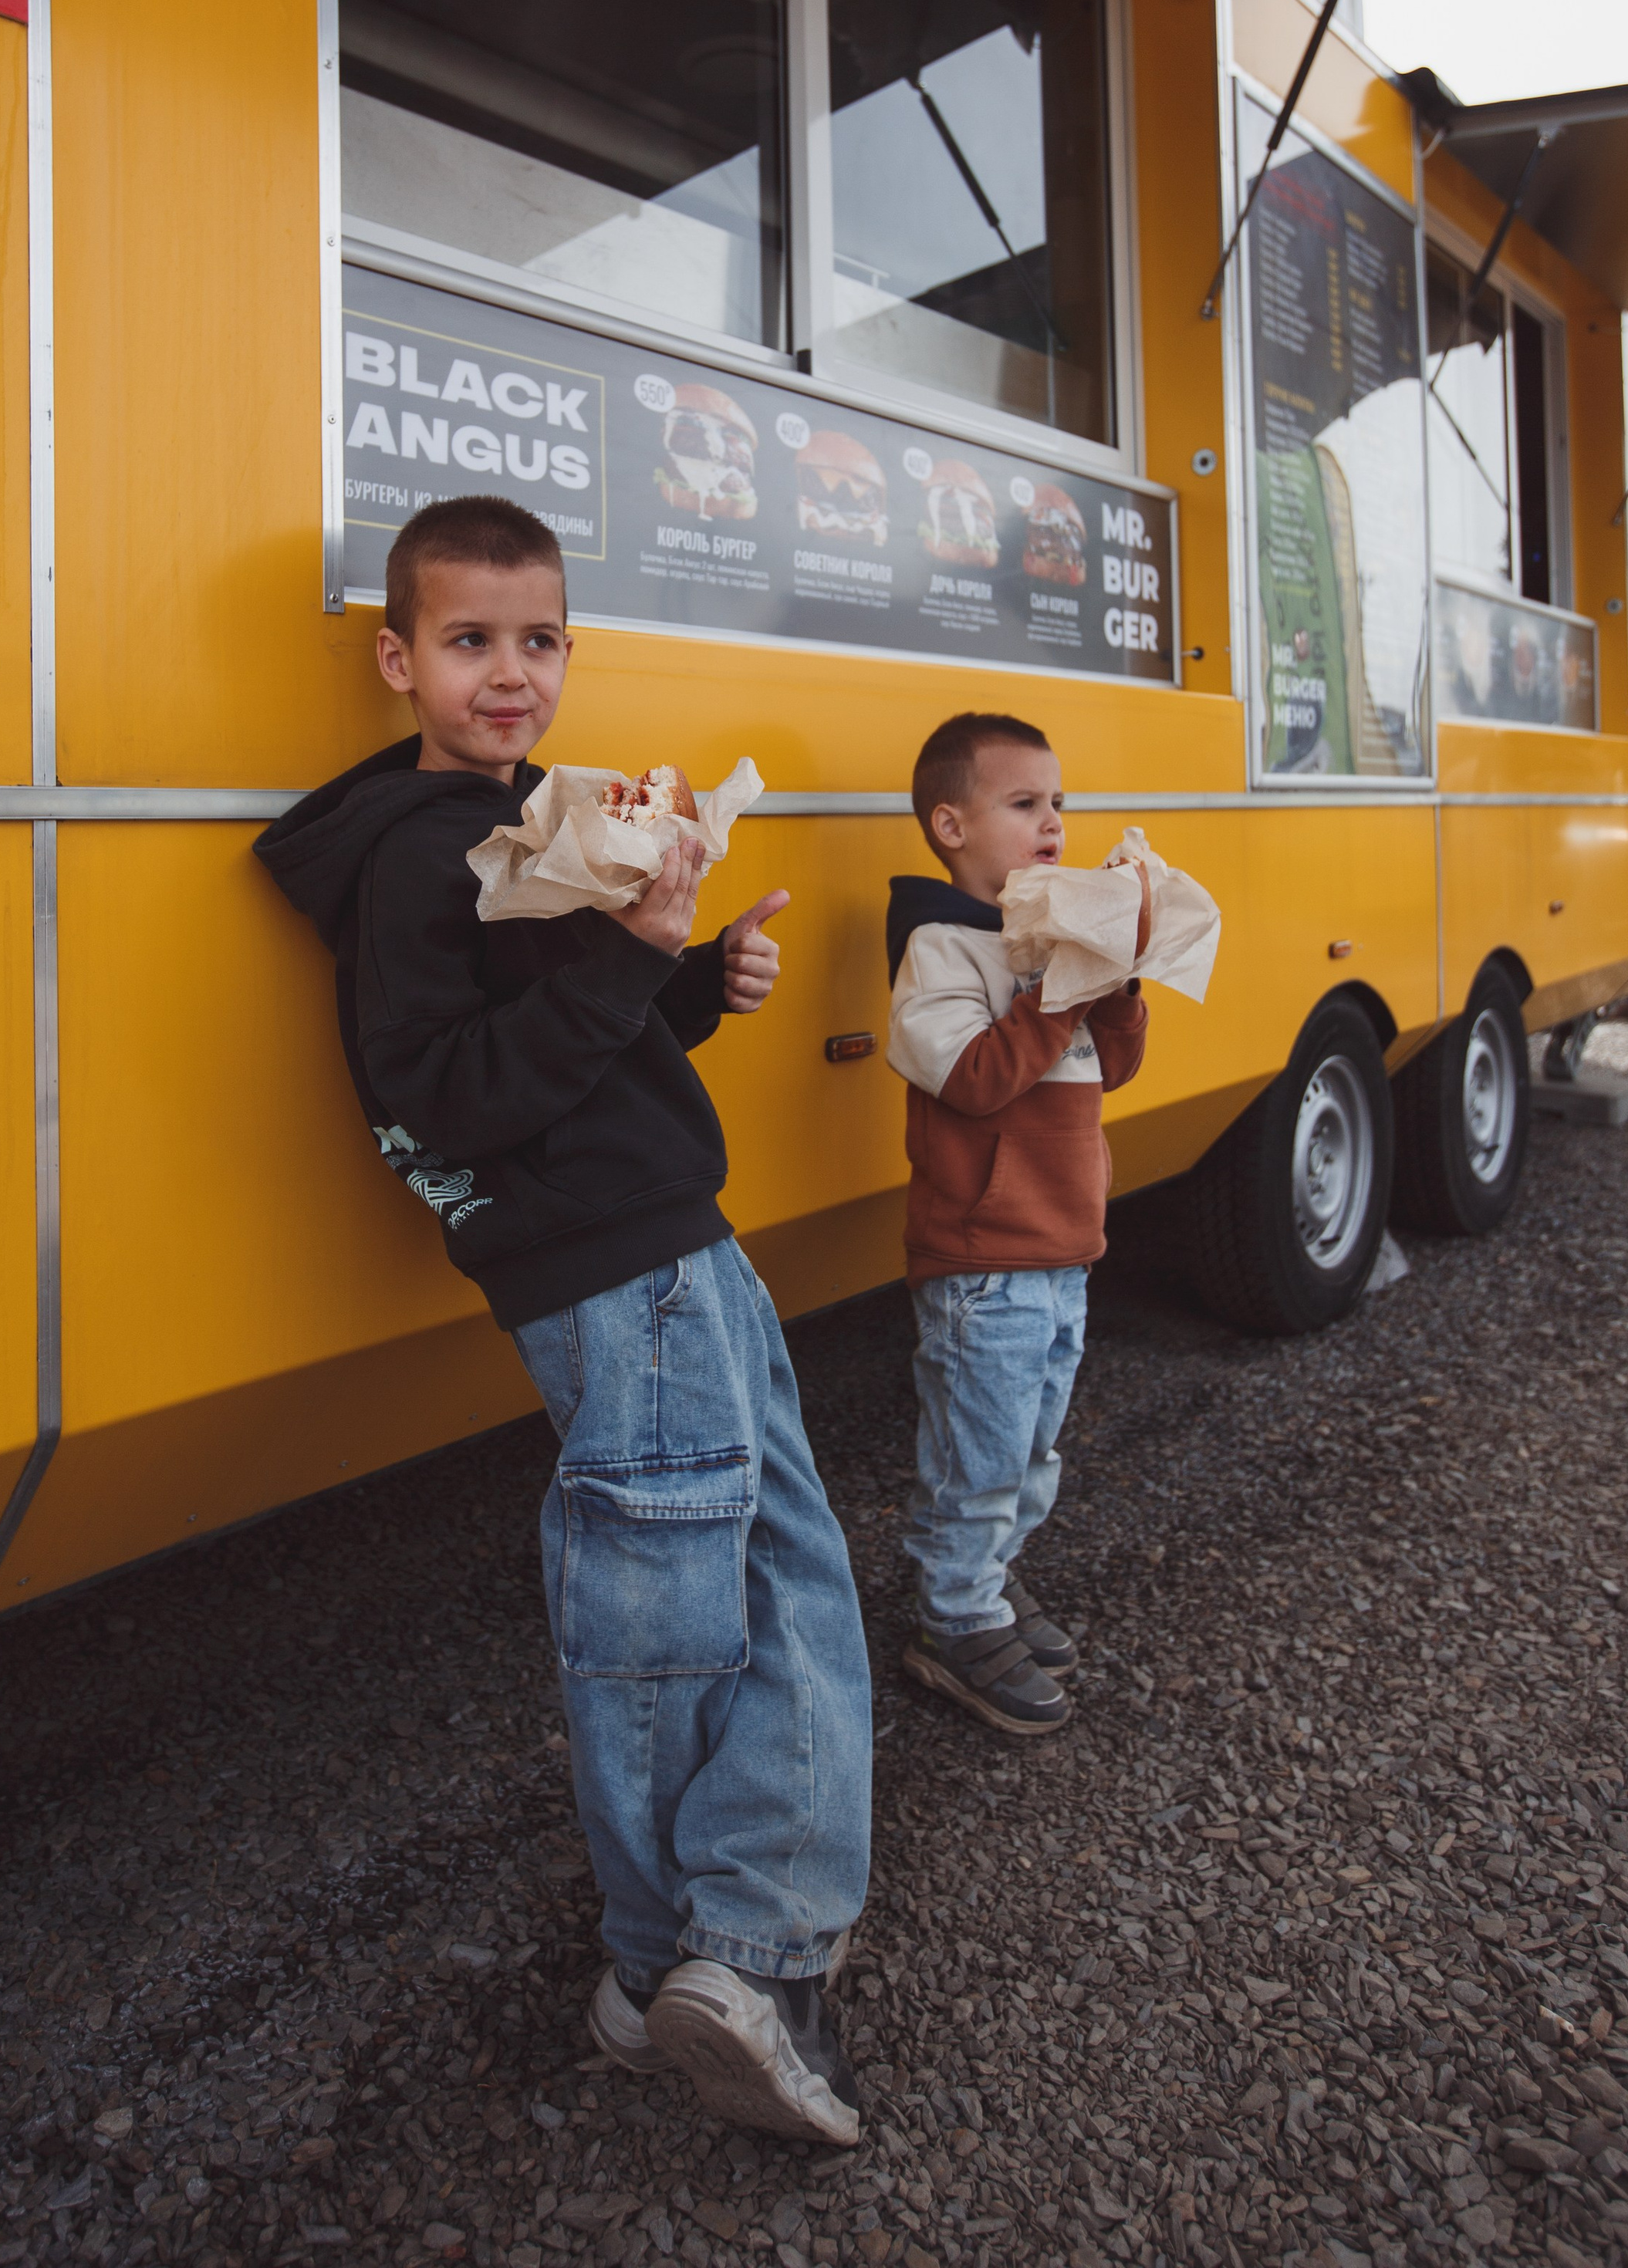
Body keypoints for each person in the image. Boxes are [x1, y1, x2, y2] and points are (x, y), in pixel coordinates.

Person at [256, 495, 870, 2146]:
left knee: (759, 1568)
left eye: (538, 640)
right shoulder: (415, 851)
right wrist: (630, 968)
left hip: (662, 1243)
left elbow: (560, 1038)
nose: (509, 673)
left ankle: (679, 1961)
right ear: (401, 659)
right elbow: (447, 1098)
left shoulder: (528, 820)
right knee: (692, 1600)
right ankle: (709, 1956)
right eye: (468, 642)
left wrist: (687, 980)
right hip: (616, 1270)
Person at [884, 710, 1150, 1737]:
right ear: (951, 824)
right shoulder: (940, 948)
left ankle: (986, 1577)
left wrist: (1113, 985)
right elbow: (977, 1080)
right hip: (983, 1265)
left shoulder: (1041, 941)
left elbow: (1111, 1068)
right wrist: (1058, 988)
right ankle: (953, 1620)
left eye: (1060, 805)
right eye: (1025, 804)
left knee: (1033, 1449)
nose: (1053, 824)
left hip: (1062, 1252)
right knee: (980, 1454)